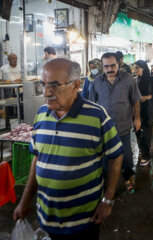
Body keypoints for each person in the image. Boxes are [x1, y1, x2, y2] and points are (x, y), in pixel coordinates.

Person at [13, 58, 124, 240]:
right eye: (44, 85)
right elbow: (37, 158)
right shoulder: (41, 114)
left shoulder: (96, 116)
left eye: (55, 85)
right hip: (46, 217)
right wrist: (25, 201)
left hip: (84, 220)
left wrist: (107, 199)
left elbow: (116, 155)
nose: (46, 92)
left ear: (76, 86)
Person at [89, 52, 142, 191]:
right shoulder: (96, 82)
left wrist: (137, 118)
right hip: (103, 128)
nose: (109, 69)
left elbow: (136, 99)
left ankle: (128, 176)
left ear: (118, 63)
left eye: (112, 65)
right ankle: (108, 184)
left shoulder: (128, 79)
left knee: (126, 156)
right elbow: (91, 104)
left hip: (123, 126)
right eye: (106, 66)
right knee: (106, 158)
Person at [134, 60, 153, 166]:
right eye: (134, 68)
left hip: (148, 110)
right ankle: (142, 148)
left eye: (137, 68)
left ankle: (146, 156)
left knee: (146, 133)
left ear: (143, 68)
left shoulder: (151, 80)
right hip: (137, 110)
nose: (135, 70)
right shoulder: (136, 80)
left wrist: (148, 97)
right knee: (137, 131)